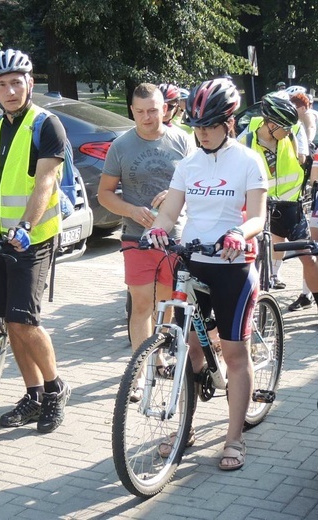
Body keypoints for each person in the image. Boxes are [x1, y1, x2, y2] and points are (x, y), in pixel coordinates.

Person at [148, 78, 267, 471]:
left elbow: (258, 217)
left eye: (210, 126)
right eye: (197, 126)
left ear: (228, 122)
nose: (202, 133)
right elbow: (170, 211)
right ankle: (184, 427)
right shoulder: (188, 164)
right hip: (193, 263)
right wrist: (159, 228)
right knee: (187, 348)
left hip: (233, 267)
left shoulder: (248, 162)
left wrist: (238, 232)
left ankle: (233, 439)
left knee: (234, 353)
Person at [0, 48, 69, 434]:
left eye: (15, 82)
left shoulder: (46, 126)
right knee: (9, 323)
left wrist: (25, 225)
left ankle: (56, 390)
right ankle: (33, 395)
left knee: (25, 321)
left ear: (30, 83)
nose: (9, 90)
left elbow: (45, 182)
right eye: (1, 84)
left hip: (33, 238)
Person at [98, 83, 195, 401]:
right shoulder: (121, 146)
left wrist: (178, 192)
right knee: (141, 305)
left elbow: (198, 184)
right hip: (135, 237)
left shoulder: (182, 140)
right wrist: (131, 210)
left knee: (167, 303)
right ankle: (139, 374)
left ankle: (160, 351)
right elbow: (104, 195)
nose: (146, 117)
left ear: (164, 109)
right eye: (139, 112)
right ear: (131, 111)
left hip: (174, 237)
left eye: (153, 110)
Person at [238, 94, 318, 302]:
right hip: (259, 207)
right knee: (252, 261)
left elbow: (302, 157)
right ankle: (252, 307)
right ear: (271, 124)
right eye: (285, 127)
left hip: (290, 206)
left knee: (308, 258)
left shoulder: (290, 135)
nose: (289, 131)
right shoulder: (246, 140)